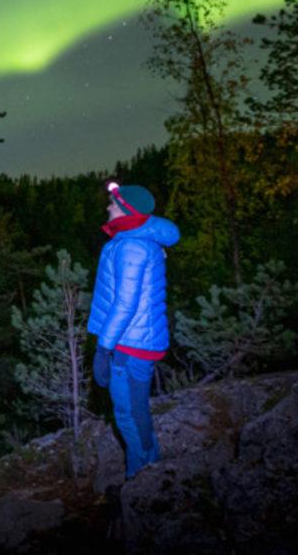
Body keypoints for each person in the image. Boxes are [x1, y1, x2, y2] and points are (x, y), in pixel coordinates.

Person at [87, 181, 180, 480]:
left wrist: (104, 348)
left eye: (113, 204)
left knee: (128, 413)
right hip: (135, 338)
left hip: (129, 343)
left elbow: (124, 305)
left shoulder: (131, 247)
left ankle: (141, 476)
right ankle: (149, 466)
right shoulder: (133, 240)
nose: (107, 207)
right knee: (135, 409)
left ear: (126, 210)